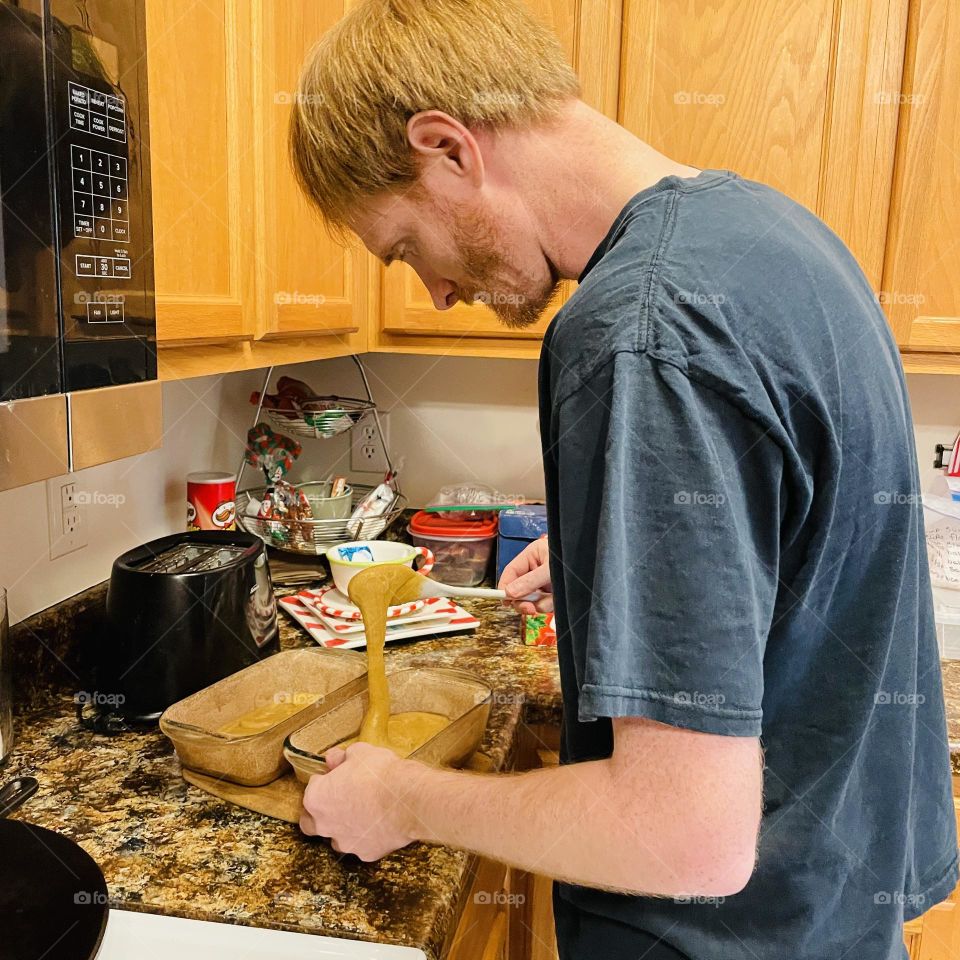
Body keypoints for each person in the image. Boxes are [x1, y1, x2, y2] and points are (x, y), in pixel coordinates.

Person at [289, 1, 959, 957]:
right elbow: (810, 539)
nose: (433, 291)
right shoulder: (776, 234)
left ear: (446, 148)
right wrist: (637, 558)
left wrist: (399, 797)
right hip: (834, 909)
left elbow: (685, 836)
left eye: (403, 246)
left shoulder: (639, 331)